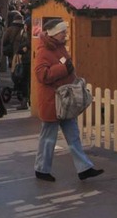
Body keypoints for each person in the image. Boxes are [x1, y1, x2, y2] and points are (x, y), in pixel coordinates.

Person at [32, 20, 103, 182]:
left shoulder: (59, 47)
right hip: (53, 101)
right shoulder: (44, 51)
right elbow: (42, 75)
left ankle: (84, 168)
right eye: (63, 32)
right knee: (48, 137)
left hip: (64, 100)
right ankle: (41, 169)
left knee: (73, 136)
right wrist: (64, 69)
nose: (65, 35)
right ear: (54, 33)